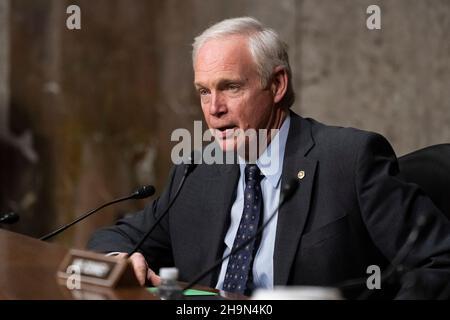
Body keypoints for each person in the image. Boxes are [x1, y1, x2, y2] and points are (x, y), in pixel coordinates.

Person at [87, 17, 450, 299]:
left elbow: (437, 262)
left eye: (231, 87)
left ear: (277, 85)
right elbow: (113, 238)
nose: (214, 109)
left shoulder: (349, 160)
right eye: (203, 91)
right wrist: (121, 259)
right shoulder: (196, 171)